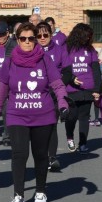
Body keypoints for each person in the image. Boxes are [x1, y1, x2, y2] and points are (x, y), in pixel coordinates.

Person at [0, 23, 70, 202]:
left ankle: (40, 191)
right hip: (17, 115)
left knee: (41, 155)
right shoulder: (9, 61)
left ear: (35, 40)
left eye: (31, 38)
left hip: (43, 115)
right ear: (17, 40)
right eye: (23, 38)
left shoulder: (44, 60)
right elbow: (1, 90)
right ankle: (18, 195)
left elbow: (57, 84)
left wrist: (64, 103)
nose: (27, 42)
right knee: (19, 154)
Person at [61, 23, 102, 154]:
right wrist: (72, 78)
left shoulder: (91, 50)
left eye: (90, 36)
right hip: (71, 89)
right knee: (71, 116)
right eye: (86, 36)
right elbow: (63, 68)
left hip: (88, 88)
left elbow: (96, 70)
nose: (88, 38)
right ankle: (69, 137)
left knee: (84, 116)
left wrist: (97, 89)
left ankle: (83, 143)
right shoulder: (67, 48)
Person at [36, 21, 65, 171]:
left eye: (45, 34)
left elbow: (66, 70)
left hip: (53, 93)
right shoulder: (32, 50)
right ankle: (41, 157)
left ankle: (52, 157)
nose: (42, 38)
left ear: (51, 34)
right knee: (39, 128)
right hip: (36, 94)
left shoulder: (59, 50)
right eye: (39, 35)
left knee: (52, 125)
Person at [0, 20, 17, 146]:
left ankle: (7, 136)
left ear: (8, 33)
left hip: (9, 82)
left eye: (2, 34)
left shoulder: (14, 46)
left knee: (7, 111)